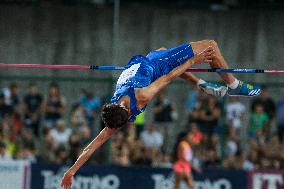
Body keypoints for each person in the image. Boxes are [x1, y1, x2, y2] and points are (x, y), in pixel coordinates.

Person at [61, 40, 260, 188]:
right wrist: (71, 172)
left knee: (210, 46)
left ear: (125, 111)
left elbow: (169, 76)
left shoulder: (141, 97)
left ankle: (217, 84)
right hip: (147, 64)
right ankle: (219, 84)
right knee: (183, 49)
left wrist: (194, 60)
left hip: (155, 65)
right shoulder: (118, 109)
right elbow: (90, 148)